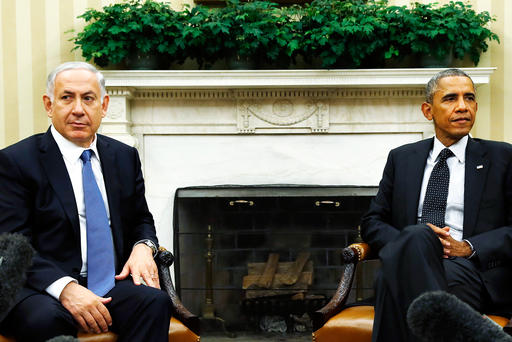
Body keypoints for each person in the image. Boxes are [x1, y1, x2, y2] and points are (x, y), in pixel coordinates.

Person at [0, 62, 172, 341]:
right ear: (49, 104)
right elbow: (12, 243)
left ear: (103, 106)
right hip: (41, 288)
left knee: (154, 303)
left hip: (108, 284)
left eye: (88, 98)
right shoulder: (17, 161)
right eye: (67, 97)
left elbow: (141, 219)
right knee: (45, 319)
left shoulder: (123, 157)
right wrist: (66, 288)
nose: (78, 109)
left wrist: (144, 246)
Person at [361, 68, 512, 342]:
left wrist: (468, 247)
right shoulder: (402, 159)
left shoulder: (503, 157)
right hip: (414, 263)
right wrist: (414, 246)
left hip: (469, 267)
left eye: (469, 98)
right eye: (451, 99)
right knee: (419, 236)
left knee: (391, 281)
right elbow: (372, 222)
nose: (463, 107)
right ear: (428, 110)